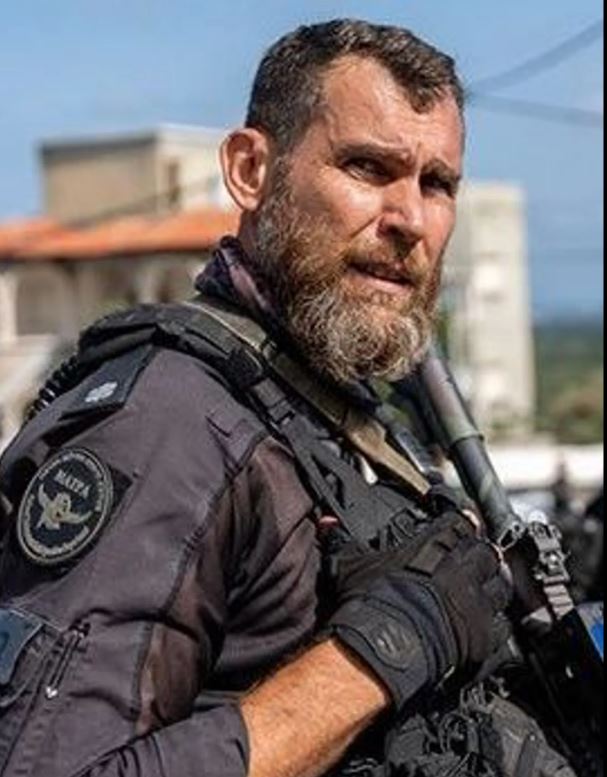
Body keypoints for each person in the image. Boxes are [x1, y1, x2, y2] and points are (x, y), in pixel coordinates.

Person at [0, 20, 573, 777]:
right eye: (367, 167)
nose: (409, 220)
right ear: (250, 170)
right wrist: (384, 649)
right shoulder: (168, 424)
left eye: (436, 184)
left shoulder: (341, 414)